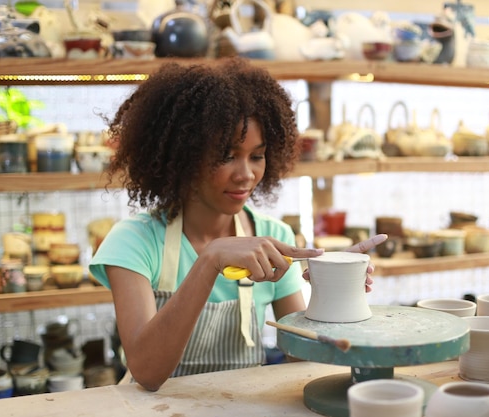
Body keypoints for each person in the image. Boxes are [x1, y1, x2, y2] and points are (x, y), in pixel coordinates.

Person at [89, 57, 385, 392]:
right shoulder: (134, 242)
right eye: (226, 155)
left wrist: (335, 288)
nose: (246, 175)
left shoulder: (273, 236)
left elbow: (302, 363)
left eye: (256, 156)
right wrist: (210, 260)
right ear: (184, 155)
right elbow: (146, 370)